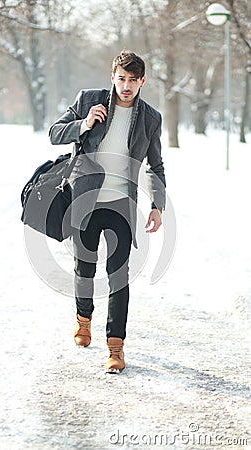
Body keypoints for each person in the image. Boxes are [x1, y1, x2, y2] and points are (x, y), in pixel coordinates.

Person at [49, 50, 166, 373]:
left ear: (143, 82)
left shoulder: (150, 118)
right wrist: (84, 123)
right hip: (85, 199)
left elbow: (155, 165)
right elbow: (54, 134)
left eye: (133, 81)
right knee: (84, 269)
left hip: (120, 205)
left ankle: (116, 347)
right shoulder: (90, 101)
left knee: (118, 277)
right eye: (121, 79)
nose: (126, 86)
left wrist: (157, 204)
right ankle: (83, 319)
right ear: (112, 76)